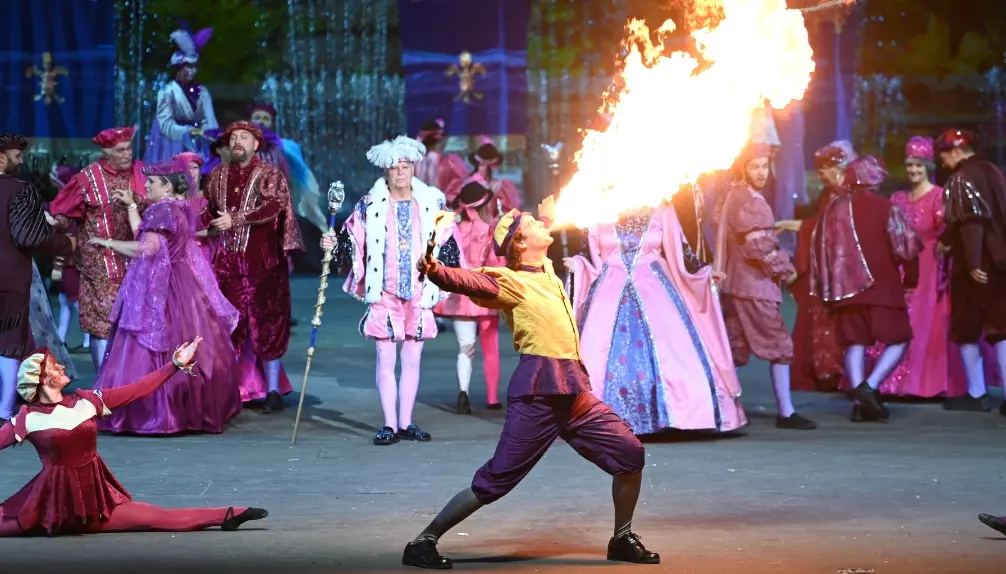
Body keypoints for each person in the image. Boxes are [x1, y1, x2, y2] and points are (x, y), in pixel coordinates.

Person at [401, 201, 659, 569]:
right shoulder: (510, 281)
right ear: (520, 242)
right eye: (533, 224)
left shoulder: (546, 270)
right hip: (538, 394)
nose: (542, 224)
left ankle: (621, 538)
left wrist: (548, 217)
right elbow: (471, 280)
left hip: (572, 392)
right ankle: (423, 541)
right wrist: (437, 271)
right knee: (497, 479)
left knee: (630, 453)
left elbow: (539, 242)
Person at [0, 340, 268, 536]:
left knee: (158, 517)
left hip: (97, 505)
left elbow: (137, 390)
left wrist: (174, 365)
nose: (60, 366)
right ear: (42, 380)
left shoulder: (86, 402)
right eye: (53, 366)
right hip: (49, 510)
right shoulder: (28, 419)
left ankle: (229, 514)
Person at [565, 202, 745, 435]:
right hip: (609, 288)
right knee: (596, 353)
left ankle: (680, 416)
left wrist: (703, 272)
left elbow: (681, 251)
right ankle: (600, 417)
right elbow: (586, 252)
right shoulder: (600, 207)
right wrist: (577, 264)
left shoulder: (662, 208)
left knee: (676, 353)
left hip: (655, 287)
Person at [90, 159, 242, 435]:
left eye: (151, 182)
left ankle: (158, 413)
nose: (145, 185)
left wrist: (109, 243)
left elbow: (147, 248)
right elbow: (148, 235)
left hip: (165, 287)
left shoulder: (162, 209)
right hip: (184, 284)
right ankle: (187, 410)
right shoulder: (178, 207)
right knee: (189, 345)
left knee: (152, 346)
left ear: (167, 185)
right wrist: (132, 207)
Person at [330, 135, 460, 445]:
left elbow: (448, 242)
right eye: (394, 168)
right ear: (386, 171)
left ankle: (406, 422)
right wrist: (333, 244)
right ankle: (389, 424)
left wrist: (448, 277)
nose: (400, 173)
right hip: (385, 289)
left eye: (405, 167)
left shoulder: (434, 202)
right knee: (385, 357)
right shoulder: (369, 205)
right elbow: (349, 239)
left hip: (418, 289)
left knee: (413, 358)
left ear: (414, 168)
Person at [811, 155, 922, 421]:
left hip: (845, 290)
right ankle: (869, 388)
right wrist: (911, 279)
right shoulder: (886, 207)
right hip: (882, 286)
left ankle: (860, 405)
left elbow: (820, 250)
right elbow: (905, 247)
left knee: (854, 343)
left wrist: (825, 289)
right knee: (900, 338)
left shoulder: (833, 210)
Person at [203, 121, 304, 411]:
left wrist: (236, 219)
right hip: (226, 266)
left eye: (244, 137)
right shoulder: (216, 176)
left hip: (264, 267)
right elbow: (207, 211)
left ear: (256, 144)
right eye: (233, 137)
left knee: (269, 327)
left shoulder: (269, 174)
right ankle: (231, 390)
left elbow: (274, 206)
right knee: (229, 329)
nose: (237, 141)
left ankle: (272, 391)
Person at [714, 143, 815, 430]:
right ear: (743, 168)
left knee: (735, 347)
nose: (760, 172)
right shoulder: (749, 201)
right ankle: (786, 411)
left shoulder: (734, 195)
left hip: (735, 285)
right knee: (779, 344)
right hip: (754, 286)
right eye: (754, 166)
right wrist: (787, 271)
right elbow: (757, 246)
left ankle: (722, 406)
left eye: (763, 166)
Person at [861, 137, 971, 399]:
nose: (913, 171)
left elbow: (950, 232)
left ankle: (923, 384)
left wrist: (945, 259)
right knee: (899, 320)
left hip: (929, 266)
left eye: (919, 166)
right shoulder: (898, 197)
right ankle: (888, 381)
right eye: (910, 166)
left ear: (928, 167)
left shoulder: (938, 196)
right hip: (901, 267)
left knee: (923, 321)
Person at [48, 126, 147, 371]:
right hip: (100, 264)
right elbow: (63, 214)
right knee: (102, 324)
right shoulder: (87, 178)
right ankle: (104, 384)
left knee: (134, 322)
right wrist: (49, 223)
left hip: (137, 259)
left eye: (128, 149)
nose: (127, 154)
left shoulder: (141, 173)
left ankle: (130, 383)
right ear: (106, 152)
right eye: (120, 150)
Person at [0, 133, 76, 420]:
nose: (21, 161)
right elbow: (29, 235)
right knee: (8, 344)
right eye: (16, 156)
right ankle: (5, 412)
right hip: (8, 280)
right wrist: (66, 243)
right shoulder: (20, 189)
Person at [935, 128, 1006, 415]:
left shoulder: (960, 179)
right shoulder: (994, 171)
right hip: (1001, 261)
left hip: (976, 265)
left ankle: (977, 393)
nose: (942, 163)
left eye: (944, 156)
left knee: (966, 328)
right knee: (1001, 329)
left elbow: (971, 222)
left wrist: (975, 263)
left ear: (955, 151)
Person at [782, 141, 854, 396]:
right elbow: (820, 226)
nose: (820, 176)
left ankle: (841, 373)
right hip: (823, 266)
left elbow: (833, 230)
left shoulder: (850, 195)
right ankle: (824, 373)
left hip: (845, 266)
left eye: (823, 170)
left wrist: (793, 225)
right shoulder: (827, 195)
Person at [433, 179, 504, 413]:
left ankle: (463, 392)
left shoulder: (451, 228)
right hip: (485, 291)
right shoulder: (491, 229)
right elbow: (496, 263)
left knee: (465, 347)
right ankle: (492, 398)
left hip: (460, 293)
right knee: (490, 348)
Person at [247, 101, 328, 233]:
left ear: (272, 123)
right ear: (249, 121)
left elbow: (289, 173)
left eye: (265, 118)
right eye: (257, 118)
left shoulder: (281, 146)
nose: (261, 121)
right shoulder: (241, 145)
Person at [144, 26, 218, 163]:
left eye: (194, 66)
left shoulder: (202, 92)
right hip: (171, 144)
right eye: (187, 66)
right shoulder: (168, 92)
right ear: (178, 68)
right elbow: (165, 124)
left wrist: (207, 130)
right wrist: (189, 131)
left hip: (198, 144)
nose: (192, 71)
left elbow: (209, 120)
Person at [47, 164, 89, 354]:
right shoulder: (65, 202)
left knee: (75, 301)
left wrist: (58, 265)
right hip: (68, 261)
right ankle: (61, 338)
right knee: (66, 301)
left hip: (71, 262)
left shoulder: (69, 206)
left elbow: (68, 240)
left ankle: (89, 339)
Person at [446, 137, 522, 218]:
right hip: (487, 225)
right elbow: (510, 210)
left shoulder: (467, 183)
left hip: (473, 225)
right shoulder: (501, 186)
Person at [172, 151, 215, 263]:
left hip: (205, 254)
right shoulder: (172, 202)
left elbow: (216, 231)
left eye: (194, 167)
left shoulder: (209, 198)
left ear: (200, 173)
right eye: (185, 168)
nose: (190, 171)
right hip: (179, 255)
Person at [413, 119, 468, 195]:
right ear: (440, 139)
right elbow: (461, 184)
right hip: (443, 204)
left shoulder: (412, 163)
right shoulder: (451, 163)